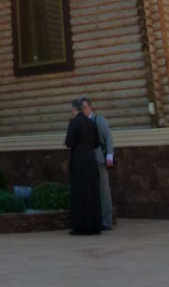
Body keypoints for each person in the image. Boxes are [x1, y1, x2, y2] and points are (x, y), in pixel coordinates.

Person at [65, 98, 102, 235]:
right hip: (90, 158)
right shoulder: (91, 123)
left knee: (80, 192)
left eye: (71, 110)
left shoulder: (74, 123)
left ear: (75, 109)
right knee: (92, 191)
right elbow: (97, 143)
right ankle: (94, 225)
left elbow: (69, 142)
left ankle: (81, 227)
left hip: (79, 159)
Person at [81, 95, 114, 230]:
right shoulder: (80, 123)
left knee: (104, 190)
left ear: (90, 107)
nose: (83, 110)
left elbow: (108, 137)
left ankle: (106, 222)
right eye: (81, 108)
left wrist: (110, 156)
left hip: (100, 159)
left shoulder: (98, 120)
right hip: (86, 161)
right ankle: (94, 219)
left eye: (84, 107)